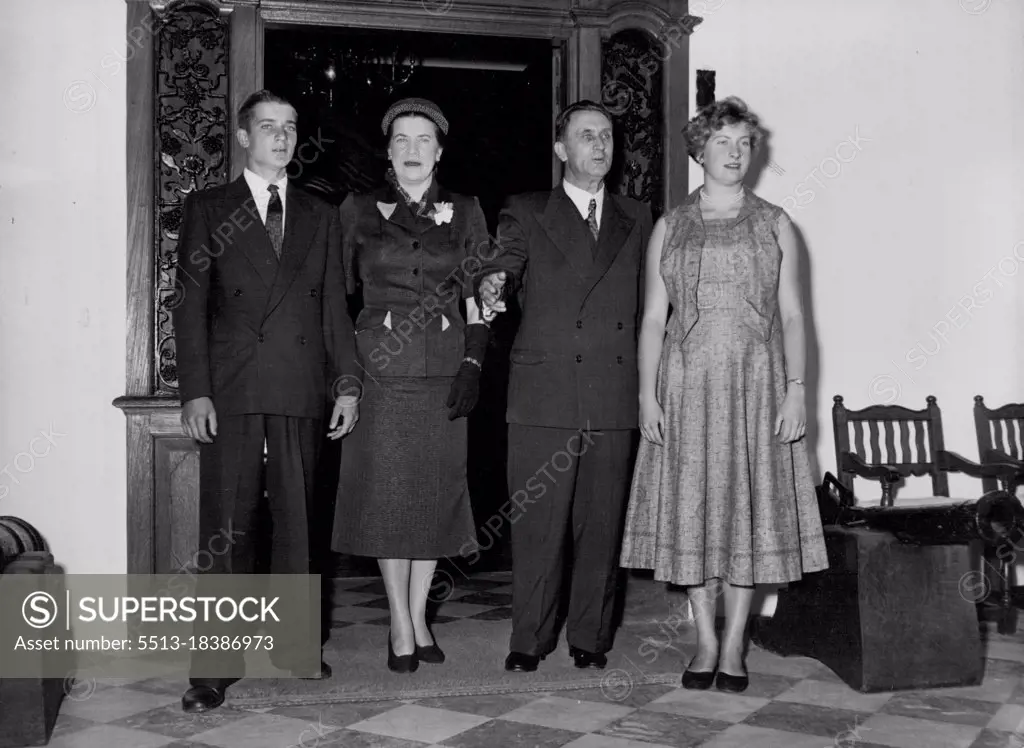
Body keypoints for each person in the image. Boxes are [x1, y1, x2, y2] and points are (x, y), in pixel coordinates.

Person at [618, 96, 828, 694]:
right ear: (700, 150)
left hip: (757, 386)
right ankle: (703, 641)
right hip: (684, 388)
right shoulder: (670, 225)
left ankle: (734, 643)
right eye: (723, 143)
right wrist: (646, 396)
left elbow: (792, 315)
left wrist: (796, 391)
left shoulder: (774, 222)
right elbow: (654, 319)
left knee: (747, 517)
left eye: (744, 144)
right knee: (693, 514)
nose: (735, 154)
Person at [173, 89, 361, 712]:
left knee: (299, 523)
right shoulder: (207, 207)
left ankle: (299, 647)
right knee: (227, 527)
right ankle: (213, 668)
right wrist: (196, 390)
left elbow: (335, 306)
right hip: (230, 389)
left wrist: (348, 383)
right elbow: (191, 308)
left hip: (302, 383)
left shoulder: (319, 212)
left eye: (290, 127)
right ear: (243, 137)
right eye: (268, 127)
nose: (282, 137)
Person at [477, 100, 653, 673]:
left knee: (600, 527)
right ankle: (528, 639)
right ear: (561, 150)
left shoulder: (637, 214)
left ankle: (591, 638)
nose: (599, 146)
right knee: (538, 528)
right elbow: (501, 263)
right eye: (585, 136)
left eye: (605, 136)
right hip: (543, 395)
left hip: (613, 392)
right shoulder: (526, 211)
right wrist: (492, 284)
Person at [332, 98, 491, 673]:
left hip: (443, 372)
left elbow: (482, 294)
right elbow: (337, 296)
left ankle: (420, 616)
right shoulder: (356, 209)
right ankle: (399, 622)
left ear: (439, 150)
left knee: (431, 502)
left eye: (424, 139)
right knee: (387, 500)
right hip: (382, 372)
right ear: (389, 151)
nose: (412, 149)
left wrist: (473, 362)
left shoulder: (468, 210)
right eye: (402, 139)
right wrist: (347, 373)